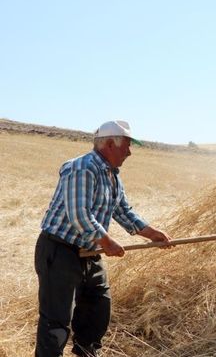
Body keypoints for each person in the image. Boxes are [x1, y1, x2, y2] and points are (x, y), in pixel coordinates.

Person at [35, 120, 172, 357]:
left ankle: (86, 352)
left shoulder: (112, 177)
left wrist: (152, 234)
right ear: (110, 144)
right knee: (56, 321)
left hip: (90, 252)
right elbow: (79, 214)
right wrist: (107, 242)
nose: (129, 152)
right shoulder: (82, 167)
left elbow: (123, 211)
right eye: (127, 146)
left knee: (98, 308)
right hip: (60, 251)